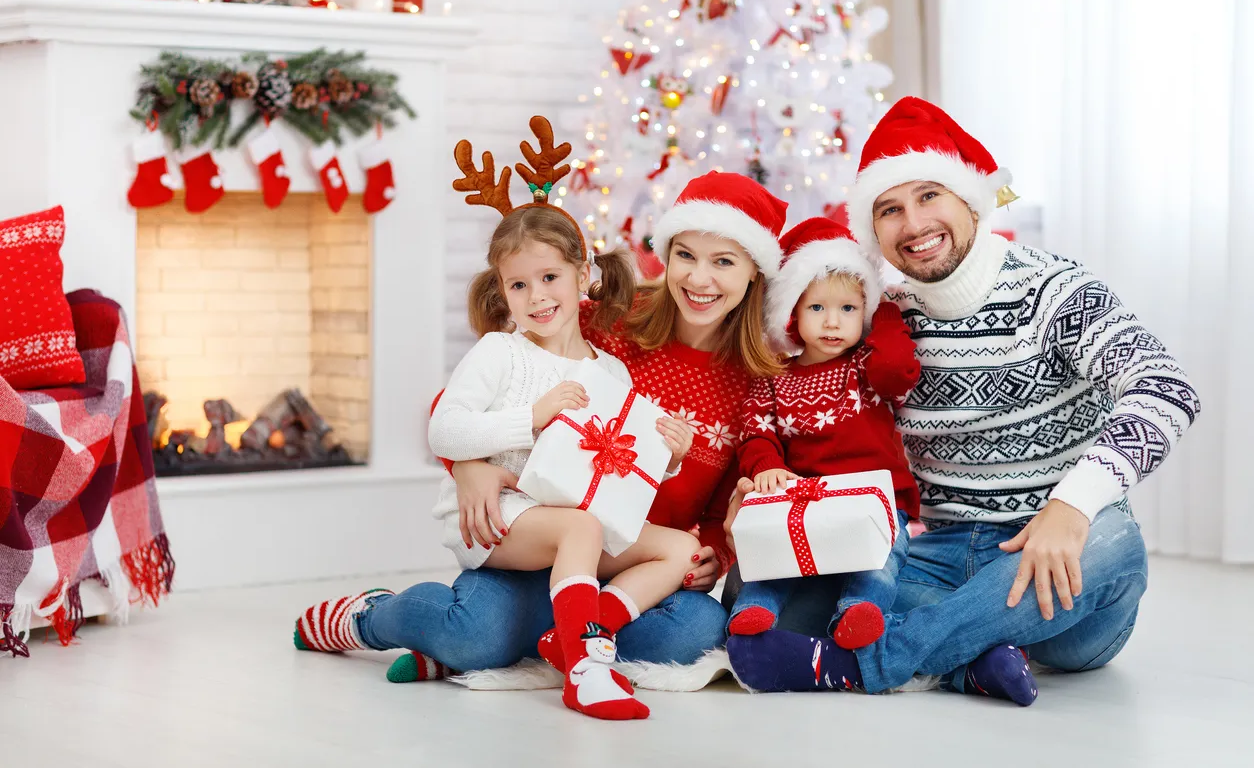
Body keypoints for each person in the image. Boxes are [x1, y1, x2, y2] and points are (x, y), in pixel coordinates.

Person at [725, 97, 1200, 707]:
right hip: (936, 559)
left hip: (1054, 565)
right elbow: (818, 415)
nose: (913, 224)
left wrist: (1071, 507)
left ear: (969, 198)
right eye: (889, 210)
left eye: (929, 196)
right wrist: (767, 478)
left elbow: (1166, 388)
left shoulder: (1056, 291)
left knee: (1114, 543)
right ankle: (966, 659)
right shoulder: (877, 318)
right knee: (756, 582)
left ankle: (864, 665)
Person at [296, 160, 790, 690]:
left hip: (632, 567)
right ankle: (395, 620)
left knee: (695, 631)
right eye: (685, 256)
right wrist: (467, 466)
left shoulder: (757, 384)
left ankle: (529, 641)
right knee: (473, 633)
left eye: (724, 262)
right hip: (543, 529)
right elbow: (479, 395)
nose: (699, 278)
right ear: (665, 256)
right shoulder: (614, 321)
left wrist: (711, 552)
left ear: (754, 273)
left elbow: (718, 509)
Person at [726, 216, 920, 651]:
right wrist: (768, 466)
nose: (833, 323)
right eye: (818, 308)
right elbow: (755, 432)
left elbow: (898, 370)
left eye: (848, 309)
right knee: (774, 558)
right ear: (792, 313)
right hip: (806, 501)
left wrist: (885, 315)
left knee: (881, 563)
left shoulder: (865, 368)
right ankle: (753, 613)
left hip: (876, 501)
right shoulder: (775, 378)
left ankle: (857, 614)